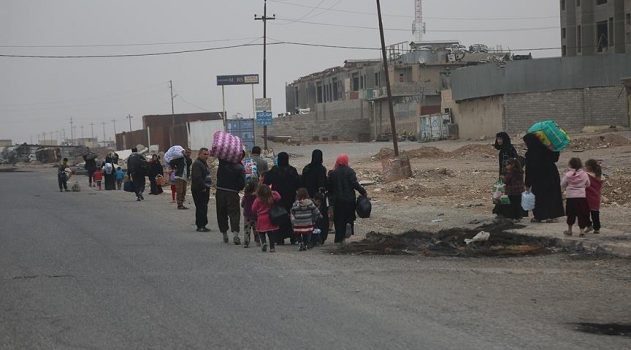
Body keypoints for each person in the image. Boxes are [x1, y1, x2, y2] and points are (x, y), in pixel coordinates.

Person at [523, 133, 565, 223]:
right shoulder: (546, 149)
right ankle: (549, 216)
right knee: (550, 196)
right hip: (550, 176)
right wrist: (553, 149)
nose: (526, 144)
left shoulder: (530, 153)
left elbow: (529, 169)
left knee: (540, 197)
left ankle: (541, 216)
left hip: (540, 178)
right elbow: (555, 158)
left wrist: (527, 183)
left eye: (526, 142)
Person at [327, 154, 367, 243]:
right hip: (349, 200)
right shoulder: (350, 171)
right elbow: (354, 184)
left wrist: (330, 201)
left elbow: (329, 188)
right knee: (349, 217)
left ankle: (339, 238)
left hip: (337, 201)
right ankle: (348, 230)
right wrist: (363, 192)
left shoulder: (333, 173)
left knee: (338, 220)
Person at [263, 152, 301, 244]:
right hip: (290, 198)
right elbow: (298, 184)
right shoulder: (292, 170)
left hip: (277, 198)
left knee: (278, 216)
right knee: (290, 217)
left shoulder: (274, 170)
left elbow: (266, 181)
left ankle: (279, 238)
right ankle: (293, 237)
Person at [216, 153, 246, 244]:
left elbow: (219, 155)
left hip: (220, 191)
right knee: (234, 213)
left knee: (221, 212)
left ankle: (224, 234)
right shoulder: (240, 167)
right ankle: (235, 235)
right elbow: (242, 184)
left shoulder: (223, 163)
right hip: (232, 193)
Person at [561, 158, 591, 237]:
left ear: (570, 165)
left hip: (570, 197)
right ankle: (581, 231)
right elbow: (588, 184)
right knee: (581, 214)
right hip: (581, 197)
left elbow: (563, 184)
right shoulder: (584, 174)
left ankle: (569, 230)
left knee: (570, 214)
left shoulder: (567, 174)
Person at [251, 184, 281, 253]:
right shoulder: (270, 197)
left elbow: (253, 209)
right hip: (269, 217)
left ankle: (264, 242)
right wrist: (273, 191)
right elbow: (278, 197)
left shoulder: (258, 199)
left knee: (261, 232)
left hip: (261, 218)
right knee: (270, 233)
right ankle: (272, 247)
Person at [191, 148, 212, 232]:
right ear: (199, 154)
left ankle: (203, 224)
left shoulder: (203, 163)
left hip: (205, 188)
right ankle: (200, 225)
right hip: (200, 189)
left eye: (207, 154)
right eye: (204, 154)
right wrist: (203, 187)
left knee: (203, 207)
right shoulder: (197, 164)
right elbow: (197, 178)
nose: (206, 156)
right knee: (201, 207)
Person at [584, 159, 603, 235]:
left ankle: (588, 225)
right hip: (596, 197)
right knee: (595, 214)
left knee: (584, 213)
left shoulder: (587, 175)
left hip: (587, 197)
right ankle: (597, 229)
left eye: (585, 166)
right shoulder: (599, 176)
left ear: (589, 167)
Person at [241, 181, 258, 248]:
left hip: (247, 215)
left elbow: (242, 204)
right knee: (256, 229)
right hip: (255, 215)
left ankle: (246, 242)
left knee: (247, 229)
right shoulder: (257, 197)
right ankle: (258, 241)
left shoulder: (246, 196)